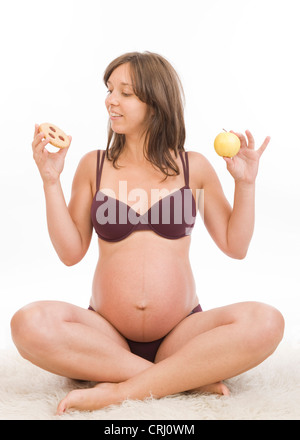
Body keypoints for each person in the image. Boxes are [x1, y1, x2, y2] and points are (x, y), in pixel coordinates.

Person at [11, 52, 284, 414]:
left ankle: (115, 391)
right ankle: (181, 379)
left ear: (156, 102)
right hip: (105, 336)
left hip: (182, 334)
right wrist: (50, 180)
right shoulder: (93, 164)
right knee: (27, 323)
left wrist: (246, 185)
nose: (111, 100)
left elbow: (236, 246)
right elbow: (70, 252)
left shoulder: (194, 167)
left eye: (126, 92)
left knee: (267, 321)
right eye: (110, 90)